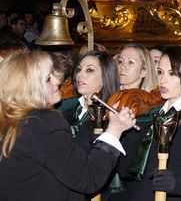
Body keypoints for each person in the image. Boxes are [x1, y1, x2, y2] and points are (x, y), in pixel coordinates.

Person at [0, 50, 137, 200]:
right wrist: (114, 130)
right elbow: (88, 178)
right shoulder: (43, 122)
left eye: (89, 70)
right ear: (28, 88)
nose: (58, 81)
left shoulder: (13, 118)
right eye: (47, 79)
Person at [120, 46, 181, 200]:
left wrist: (176, 184)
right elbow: (125, 171)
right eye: (160, 72)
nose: (163, 80)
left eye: (172, 74)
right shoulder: (152, 113)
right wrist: (128, 133)